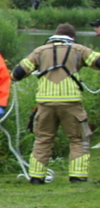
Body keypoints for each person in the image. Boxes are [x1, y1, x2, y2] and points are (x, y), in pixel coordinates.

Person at [12, 23, 100, 183]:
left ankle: (36, 177)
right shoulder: (78, 49)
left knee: (43, 139)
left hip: (45, 102)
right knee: (78, 139)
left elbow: (18, 73)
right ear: (72, 37)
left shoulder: (39, 51)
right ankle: (77, 177)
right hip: (71, 102)